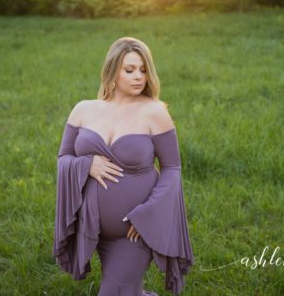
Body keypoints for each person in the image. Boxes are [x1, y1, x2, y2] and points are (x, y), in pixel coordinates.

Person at [54, 37, 194, 294]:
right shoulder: (83, 110)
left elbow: (172, 169)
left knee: (115, 290)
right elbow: (63, 158)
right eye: (129, 70)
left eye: (143, 70)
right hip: (90, 225)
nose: (138, 77)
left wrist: (146, 216)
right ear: (112, 71)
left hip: (134, 230)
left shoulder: (155, 113)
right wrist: (87, 164)